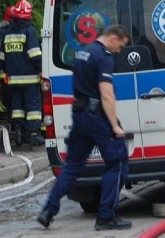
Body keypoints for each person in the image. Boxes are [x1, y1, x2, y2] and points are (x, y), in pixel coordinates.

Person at [37, 24, 132, 232]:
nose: (119, 51)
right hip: (97, 117)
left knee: (72, 166)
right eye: (121, 46)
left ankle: (48, 211)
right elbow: (106, 94)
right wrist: (115, 125)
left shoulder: (83, 53)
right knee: (117, 163)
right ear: (114, 38)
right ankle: (106, 217)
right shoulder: (104, 57)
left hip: (79, 116)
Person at [0, 0, 45, 146]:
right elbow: (35, 54)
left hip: (12, 79)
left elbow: (2, 57)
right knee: (33, 106)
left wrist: (5, 73)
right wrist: (41, 69)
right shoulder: (29, 32)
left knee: (17, 105)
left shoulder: (8, 33)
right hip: (30, 79)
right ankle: (32, 134)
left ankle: (18, 130)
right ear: (29, 15)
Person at [0, 6, 13, 121]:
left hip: (11, 69)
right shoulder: (2, 31)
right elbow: (0, 46)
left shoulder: (10, 30)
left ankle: (4, 115)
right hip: (4, 71)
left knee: (11, 96)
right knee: (7, 96)